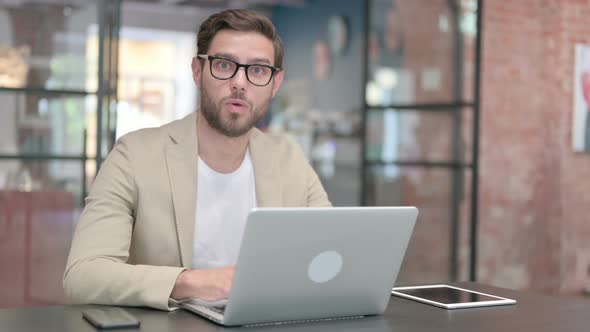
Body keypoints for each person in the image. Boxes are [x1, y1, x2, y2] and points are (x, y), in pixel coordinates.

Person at [63, 9, 331, 311]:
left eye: (257, 70)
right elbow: (83, 275)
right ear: (197, 71)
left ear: (275, 82)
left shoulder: (287, 156)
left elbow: (332, 252)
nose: (239, 82)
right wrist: (193, 282)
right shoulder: (134, 155)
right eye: (225, 64)